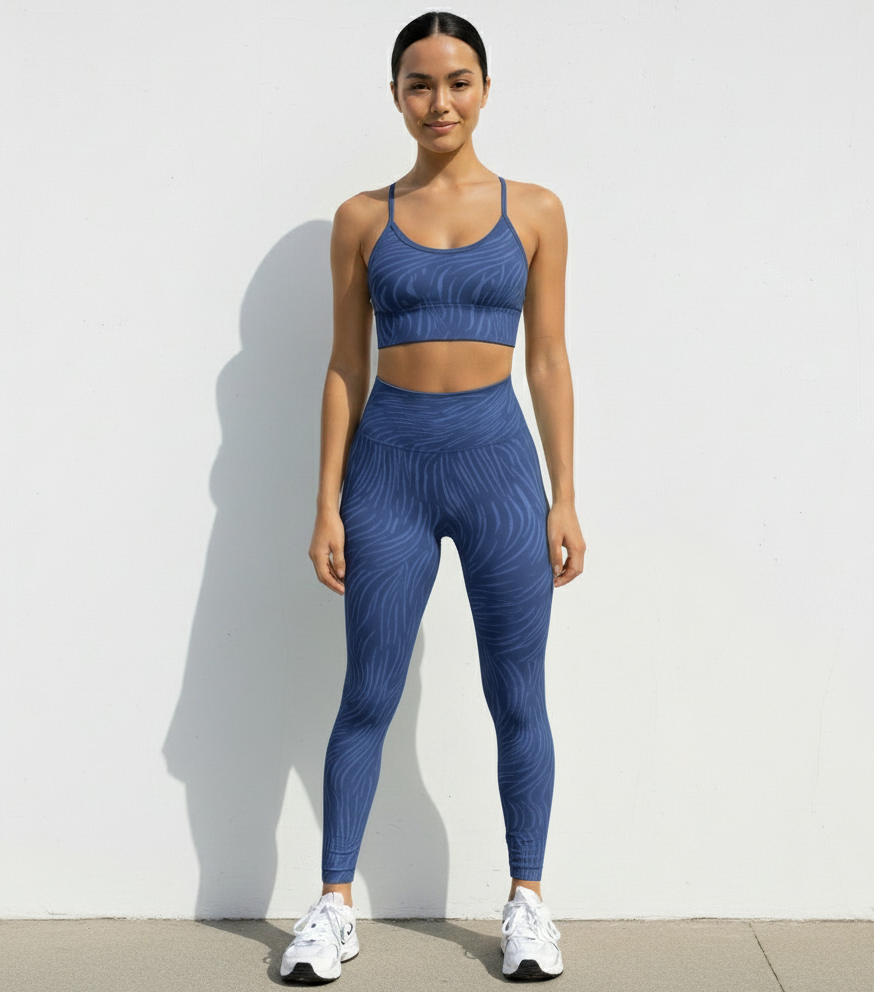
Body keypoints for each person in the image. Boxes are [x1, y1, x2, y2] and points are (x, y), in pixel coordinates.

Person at [281, 10, 585, 984]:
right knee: (367, 692)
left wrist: (564, 495)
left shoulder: (535, 210)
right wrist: (326, 502)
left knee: (517, 695)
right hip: (390, 474)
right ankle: (333, 905)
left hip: (499, 471)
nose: (439, 101)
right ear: (396, 96)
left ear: (484, 90)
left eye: (457, 82)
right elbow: (345, 365)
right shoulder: (361, 219)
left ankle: (527, 901)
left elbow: (547, 358)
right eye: (419, 83)